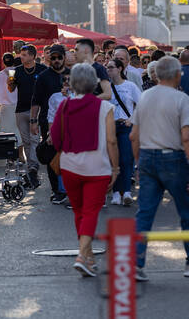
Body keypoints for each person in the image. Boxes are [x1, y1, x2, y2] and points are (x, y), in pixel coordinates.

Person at [130, 56, 189, 281]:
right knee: (186, 211)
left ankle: (136, 263)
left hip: (147, 156)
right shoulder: (180, 99)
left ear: (157, 74)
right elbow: (187, 138)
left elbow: (133, 135)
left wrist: (139, 163)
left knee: (145, 212)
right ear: (177, 75)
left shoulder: (145, 96)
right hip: (173, 158)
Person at [51, 63, 118, 278]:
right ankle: (82, 255)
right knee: (91, 212)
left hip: (70, 166)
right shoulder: (105, 108)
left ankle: (88, 257)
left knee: (79, 211)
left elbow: (55, 136)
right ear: (95, 82)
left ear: (72, 83)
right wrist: (116, 168)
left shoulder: (64, 105)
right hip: (97, 166)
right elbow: (111, 140)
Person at [31, 44, 70, 203]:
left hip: (72, 123)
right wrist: (33, 121)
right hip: (48, 121)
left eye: (59, 57)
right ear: (49, 59)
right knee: (53, 155)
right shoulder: (43, 76)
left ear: (64, 58)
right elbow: (36, 101)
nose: (56, 60)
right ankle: (57, 191)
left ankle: (69, 188)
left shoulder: (72, 74)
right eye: (52, 58)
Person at [8, 44, 46, 189]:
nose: (21, 57)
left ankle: (33, 167)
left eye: (24, 55)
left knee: (35, 138)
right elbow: (11, 89)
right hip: (20, 109)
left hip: (35, 110)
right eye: (21, 55)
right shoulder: (16, 71)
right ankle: (32, 165)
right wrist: (9, 83)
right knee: (26, 140)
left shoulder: (42, 70)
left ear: (32, 56)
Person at [106, 57, 139, 206]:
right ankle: (115, 193)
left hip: (125, 125)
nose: (108, 70)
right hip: (110, 126)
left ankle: (126, 192)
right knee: (114, 160)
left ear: (119, 69)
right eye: (107, 67)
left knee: (126, 159)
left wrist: (132, 118)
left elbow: (142, 103)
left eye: (111, 67)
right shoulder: (105, 87)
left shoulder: (130, 86)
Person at [0, 53, 20, 141]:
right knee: (18, 131)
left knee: (6, 133)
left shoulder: (0, 75)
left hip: (5, 108)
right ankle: (20, 153)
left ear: (3, 63)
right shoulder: (19, 72)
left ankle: (8, 152)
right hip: (19, 106)